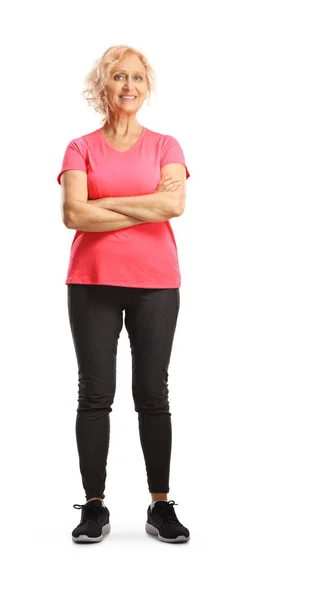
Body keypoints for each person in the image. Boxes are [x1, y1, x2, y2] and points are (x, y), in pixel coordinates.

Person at [57, 45, 191, 544]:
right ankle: (94, 507)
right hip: (92, 282)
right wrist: (144, 204)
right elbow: (74, 215)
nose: (129, 85)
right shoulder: (79, 148)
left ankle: (160, 505)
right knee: (95, 394)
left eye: (137, 77)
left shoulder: (166, 146)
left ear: (146, 86)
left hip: (156, 284)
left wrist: (104, 201)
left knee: (152, 394)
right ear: (103, 87)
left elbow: (173, 205)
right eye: (118, 77)